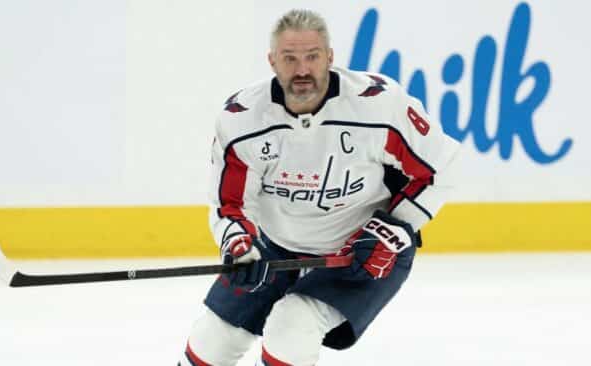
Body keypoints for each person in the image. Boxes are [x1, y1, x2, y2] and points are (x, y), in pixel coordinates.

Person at [180, 9, 459, 366]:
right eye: (289, 58)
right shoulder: (242, 120)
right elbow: (230, 203)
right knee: (212, 340)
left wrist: (395, 227)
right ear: (272, 61)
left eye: (312, 56)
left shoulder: (379, 107)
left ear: (330, 57)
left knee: (291, 327)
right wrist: (240, 246)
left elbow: (440, 169)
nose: (301, 70)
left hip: (361, 253)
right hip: (275, 248)